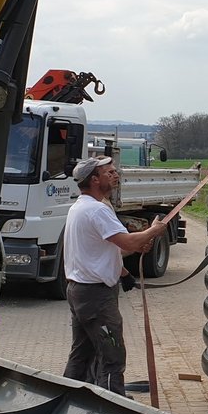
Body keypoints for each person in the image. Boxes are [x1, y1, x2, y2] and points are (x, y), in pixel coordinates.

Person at [61, 155, 167, 396]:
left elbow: (109, 249)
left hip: (80, 292)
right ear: (95, 180)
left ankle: (66, 399)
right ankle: (112, 407)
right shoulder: (97, 210)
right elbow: (127, 240)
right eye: (109, 173)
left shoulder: (79, 207)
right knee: (112, 356)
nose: (115, 175)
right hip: (96, 297)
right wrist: (153, 231)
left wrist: (126, 266)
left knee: (82, 354)